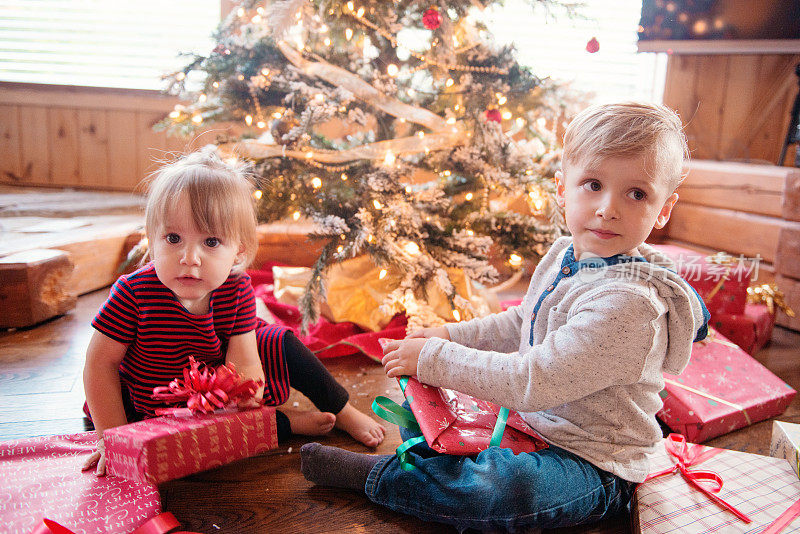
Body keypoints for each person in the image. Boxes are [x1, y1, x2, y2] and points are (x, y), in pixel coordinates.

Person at [300, 102, 710, 531]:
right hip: (531, 423)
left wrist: (434, 358)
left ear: (664, 209)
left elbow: (533, 380)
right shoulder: (564, 254)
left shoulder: (628, 304)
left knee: (501, 490)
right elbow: (519, 323)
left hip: (593, 461)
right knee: (433, 404)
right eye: (592, 184)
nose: (609, 208)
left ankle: (382, 476)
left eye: (637, 194)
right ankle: (435, 463)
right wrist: (449, 334)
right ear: (561, 188)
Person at [82, 148, 384, 475]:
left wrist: (245, 397)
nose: (190, 258)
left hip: (215, 390)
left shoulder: (236, 288)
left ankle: (342, 409)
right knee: (195, 444)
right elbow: (99, 365)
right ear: (152, 240)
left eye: (210, 242)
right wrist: (110, 437)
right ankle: (286, 424)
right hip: (150, 403)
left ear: (237, 249)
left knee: (282, 343)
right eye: (173, 238)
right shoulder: (133, 293)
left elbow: (244, 359)